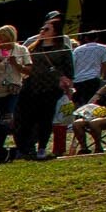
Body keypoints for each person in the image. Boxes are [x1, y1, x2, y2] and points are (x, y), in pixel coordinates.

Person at [17, 16, 74, 161]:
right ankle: (26, 148)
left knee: (45, 119)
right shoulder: (33, 48)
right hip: (30, 88)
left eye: (47, 29)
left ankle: (42, 147)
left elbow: (69, 72)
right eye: (42, 28)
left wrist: (65, 83)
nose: (42, 31)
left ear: (55, 32)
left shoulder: (63, 49)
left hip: (50, 89)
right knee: (27, 119)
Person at [0, 25, 29, 163]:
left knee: (5, 121)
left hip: (12, 91)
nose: (1, 41)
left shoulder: (21, 50)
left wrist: (16, 64)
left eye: (4, 38)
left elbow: (28, 70)